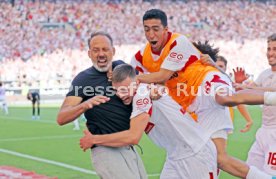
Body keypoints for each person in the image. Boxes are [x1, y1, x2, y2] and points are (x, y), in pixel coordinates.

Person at [131, 9, 275, 178]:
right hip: (192, 105)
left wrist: (140, 80)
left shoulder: (178, 42)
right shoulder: (141, 56)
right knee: (219, 159)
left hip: (206, 80)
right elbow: (136, 80)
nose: (151, 34)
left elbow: (162, 76)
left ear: (166, 29)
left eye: (155, 28)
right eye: (146, 29)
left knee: (224, 98)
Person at [80, 64, 218, 179]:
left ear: (137, 82)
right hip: (176, 156)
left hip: (196, 152)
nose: (121, 95)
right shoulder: (142, 92)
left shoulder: (141, 94)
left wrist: (94, 139)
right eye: (117, 90)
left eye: (125, 89)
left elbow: (133, 137)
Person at [56, 31, 147, 179]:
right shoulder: (83, 79)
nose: (101, 54)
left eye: (105, 49)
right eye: (96, 50)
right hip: (105, 149)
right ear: (89, 53)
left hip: (128, 145)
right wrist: (85, 104)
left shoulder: (122, 67)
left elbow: (142, 85)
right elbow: (61, 118)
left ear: (113, 51)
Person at [242, 33, 276, 175]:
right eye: (268, 49)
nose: (270, 53)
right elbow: (249, 91)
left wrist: (251, 88)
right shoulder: (265, 73)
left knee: (270, 175)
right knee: (249, 173)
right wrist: (240, 85)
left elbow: (272, 90)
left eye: (274, 49)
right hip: (263, 131)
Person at [216, 55, 253, 133]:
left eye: (221, 66)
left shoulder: (228, 83)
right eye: (215, 65)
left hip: (222, 124)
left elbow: (238, 101)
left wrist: (249, 120)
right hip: (205, 123)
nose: (218, 68)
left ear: (225, 68)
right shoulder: (204, 79)